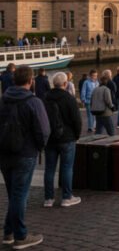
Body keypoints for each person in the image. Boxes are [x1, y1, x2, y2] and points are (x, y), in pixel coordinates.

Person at [0, 65, 49, 249]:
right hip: (25, 154)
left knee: (14, 194)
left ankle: (8, 232)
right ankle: (20, 236)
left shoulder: (2, 100)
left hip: (4, 154)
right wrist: (38, 147)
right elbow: (44, 131)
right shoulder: (34, 102)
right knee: (20, 195)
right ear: (31, 81)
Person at [42, 72, 82, 208]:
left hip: (50, 139)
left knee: (49, 169)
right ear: (65, 84)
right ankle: (67, 197)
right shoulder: (69, 98)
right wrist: (76, 135)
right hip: (67, 138)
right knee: (66, 168)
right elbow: (77, 120)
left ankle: (48, 198)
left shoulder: (46, 98)